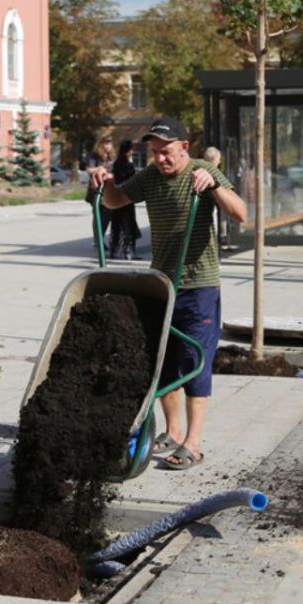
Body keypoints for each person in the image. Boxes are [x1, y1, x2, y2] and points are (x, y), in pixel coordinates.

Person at [88, 117, 247, 470]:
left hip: (199, 285)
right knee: (161, 359)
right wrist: (103, 182)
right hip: (161, 283)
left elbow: (241, 213)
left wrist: (213, 186)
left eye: (167, 152)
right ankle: (173, 431)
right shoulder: (150, 177)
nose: (160, 158)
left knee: (194, 361)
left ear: (184, 148)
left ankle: (194, 442)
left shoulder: (202, 171)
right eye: (155, 152)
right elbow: (115, 201)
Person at [107, 139, 142, 259]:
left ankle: (114, 250)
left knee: (116, 224)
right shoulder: (128, 165)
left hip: (117, 197)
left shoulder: (116, 164)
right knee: (128, 225)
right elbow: (132, 181)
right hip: (127, 198)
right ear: (128, 150)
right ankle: (128, 252)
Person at [87, 137, 116, 249]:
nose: (106, 145)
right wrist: (101, 168)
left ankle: (101, 237)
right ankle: (97, 241)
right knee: (97, 215)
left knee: (107, 215)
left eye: (108, 143)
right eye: (104, 143)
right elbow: (89, 170)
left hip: (109, 189)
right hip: (96, 189)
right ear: (100, 143)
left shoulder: (113, 156)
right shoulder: (94, 155)